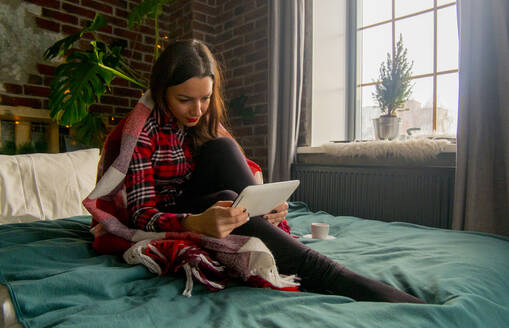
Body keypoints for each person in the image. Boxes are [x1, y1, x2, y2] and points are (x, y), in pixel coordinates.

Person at [123, 39, 424, 304]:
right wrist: (196, 222)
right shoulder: (142, 130)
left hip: (199, 198)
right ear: (162, 91)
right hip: (171, 214)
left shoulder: (204, 119)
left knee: (226, 158)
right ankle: (327, 274)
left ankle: (282, 240)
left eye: (205, 98)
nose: (197, 110)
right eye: (184, 100)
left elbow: (231, 167)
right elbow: (140, 214)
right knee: (229, 196)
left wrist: (264, 205)